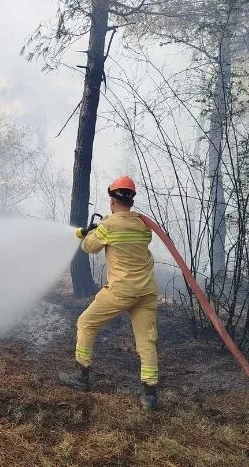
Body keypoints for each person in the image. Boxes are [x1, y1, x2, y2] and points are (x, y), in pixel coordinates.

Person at [59, 175, 160, 410]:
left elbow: (89, 247)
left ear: (112, 200)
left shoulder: (108, 226)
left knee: (86, 323)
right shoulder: (143, 226)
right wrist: (106, 224)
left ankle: (82, 376)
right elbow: (133, 234)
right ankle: (150, 395)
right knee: (146, 342)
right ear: (131, 200)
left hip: (121, 291)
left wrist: (94, 231)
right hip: (146, 292)